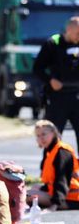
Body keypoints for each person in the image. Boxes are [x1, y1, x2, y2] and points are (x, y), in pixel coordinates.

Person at [33, 16, 79, 152]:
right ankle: (50, 169)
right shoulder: (53, 43)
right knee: (53, 138)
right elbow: (37, 68)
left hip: (77, 95)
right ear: (69, 30)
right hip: (58, 97)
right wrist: (50, 80)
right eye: (78, 33)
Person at [27, 120, 79, 210]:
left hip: (72, 197)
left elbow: (62, 180)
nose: (41, 138)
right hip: (61, 192)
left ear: (53, 133)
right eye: (38, 136)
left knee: (28, 195)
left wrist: (55, 204)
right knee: (34, 188)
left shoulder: (61, 151)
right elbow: (51, 181)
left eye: (44, 134)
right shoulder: (49, 150)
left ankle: (60, 204)